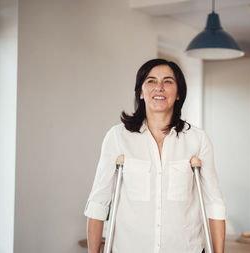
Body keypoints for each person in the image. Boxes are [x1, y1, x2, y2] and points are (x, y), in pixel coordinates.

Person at [84, 58, 226, 253]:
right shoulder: (118, 137)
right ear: (141, 92)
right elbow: (98, 202)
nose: (159, 87)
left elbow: (214, 204)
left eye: (168, 81)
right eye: (151, 81)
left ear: (178, 94)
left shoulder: (197, 140)